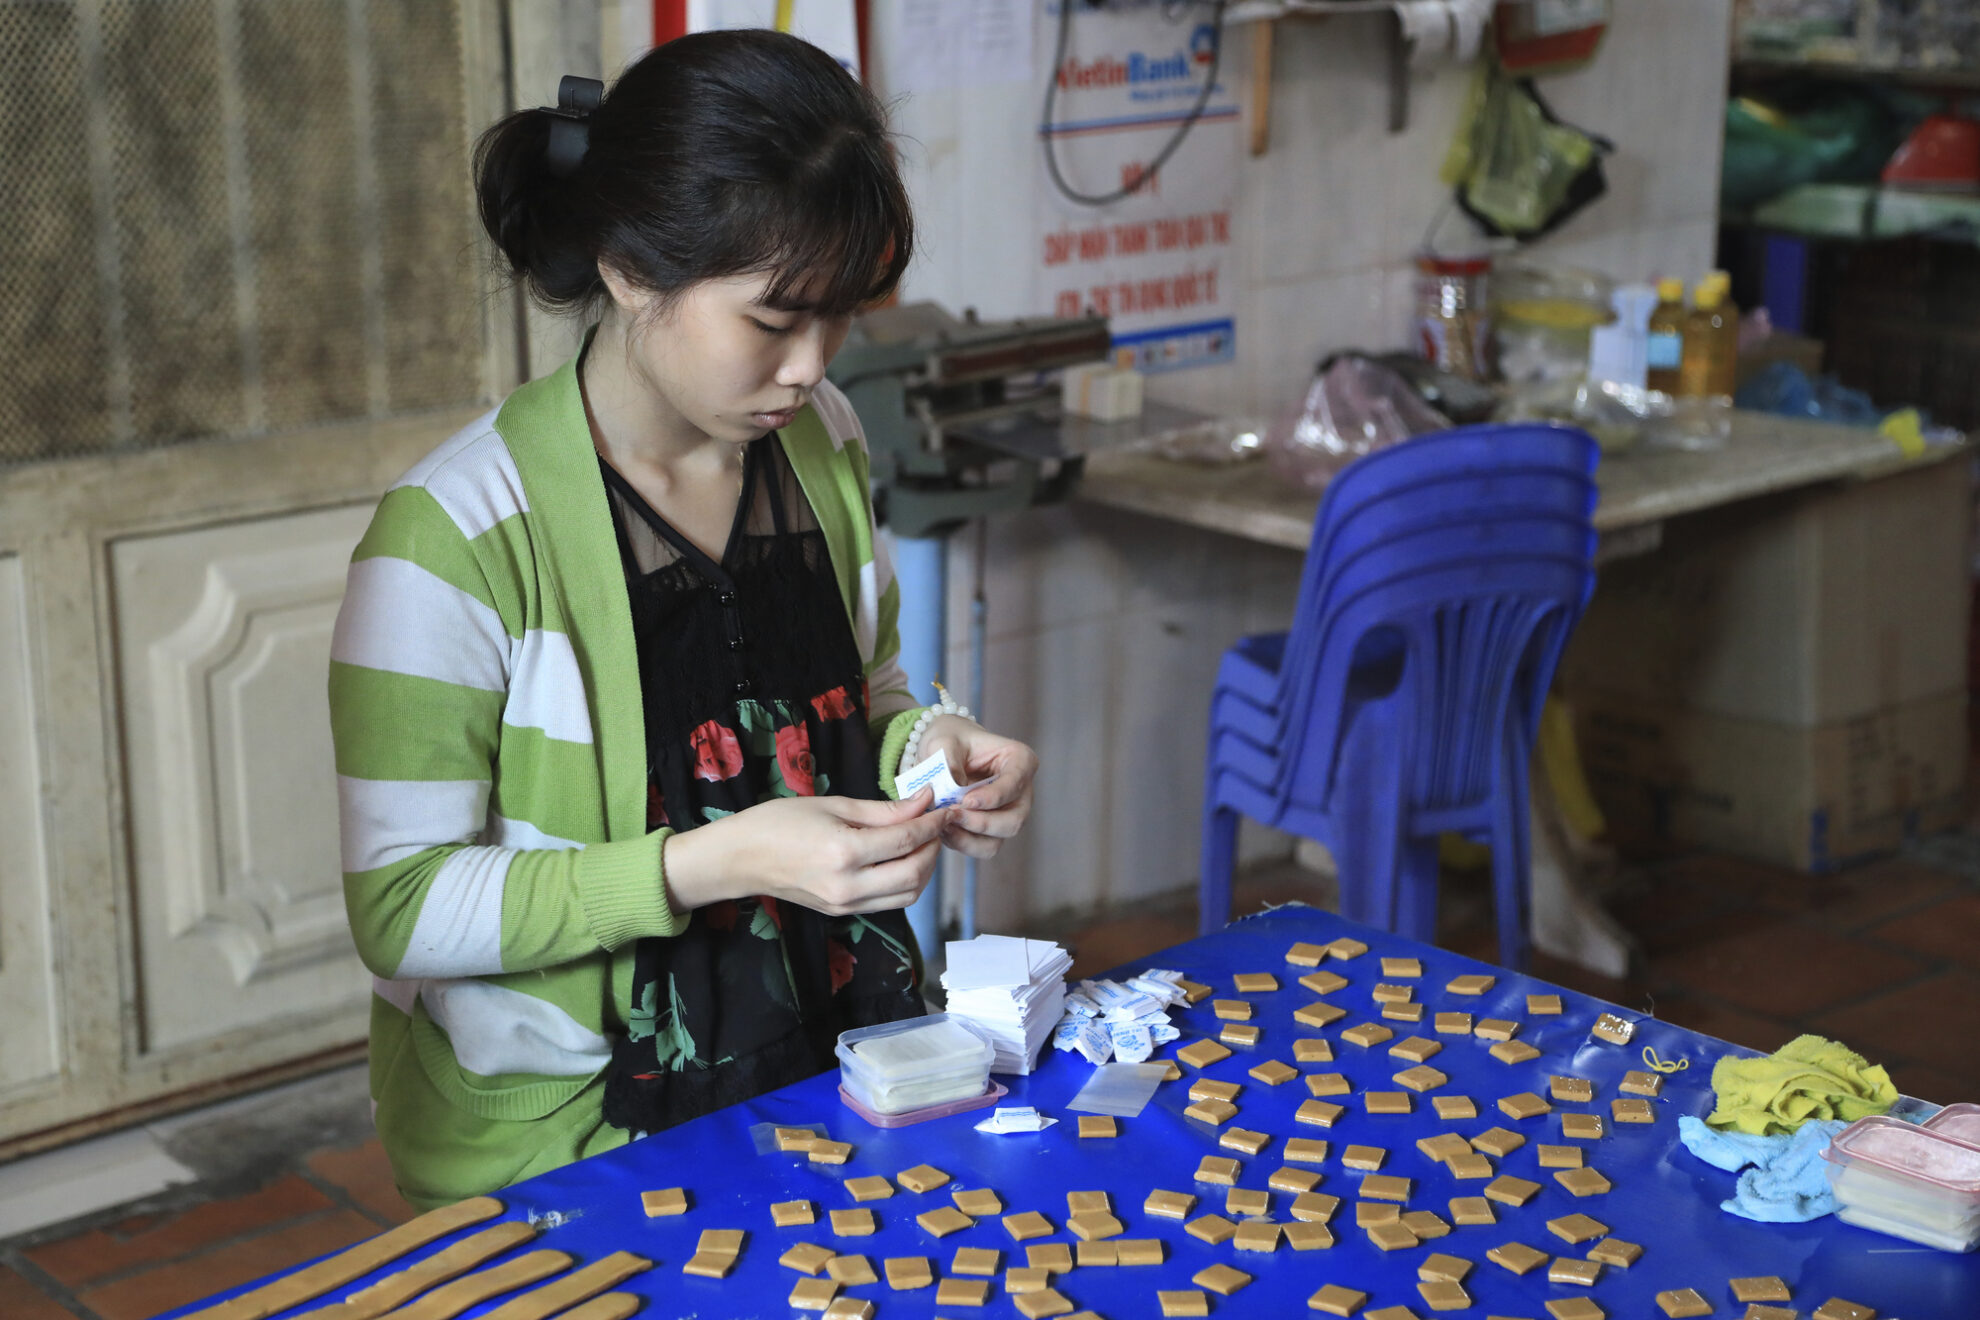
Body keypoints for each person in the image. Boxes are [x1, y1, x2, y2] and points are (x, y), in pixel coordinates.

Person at [328, 29, 1038, 1209]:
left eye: (844, 315)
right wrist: (715, 862)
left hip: (829, 1054)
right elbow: (401, 911)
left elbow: (862, 690)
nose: (813, 367)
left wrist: (929, 751)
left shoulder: (822, 451)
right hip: (583, 1130)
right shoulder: (452, 544)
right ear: (625, 267)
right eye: (773, 320)